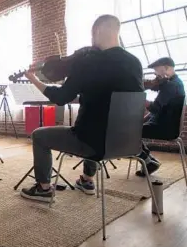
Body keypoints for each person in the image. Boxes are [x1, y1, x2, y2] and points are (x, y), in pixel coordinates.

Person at [20, 15, 144, 202]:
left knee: (39, 135)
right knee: (98, 124)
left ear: (97, 31)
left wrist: (34, 80)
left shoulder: (87, 62)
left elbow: (61, 98)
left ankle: (44, 189)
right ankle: (87, 180)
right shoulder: (135, 63)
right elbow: (110, 97)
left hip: (91, 143)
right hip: (126, 142)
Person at [135, 57, 185, 177]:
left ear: (166, 68)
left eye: (157, 71)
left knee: (128, 133)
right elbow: (158, 111)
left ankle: (147, 160)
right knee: (133, 130)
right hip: (167, 126)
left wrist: (140, 98)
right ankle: (149, 160)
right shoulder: (177, 82)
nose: (155, 76)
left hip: (164, 129)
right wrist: (142, 120)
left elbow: (154, 108)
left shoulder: (170, 86)